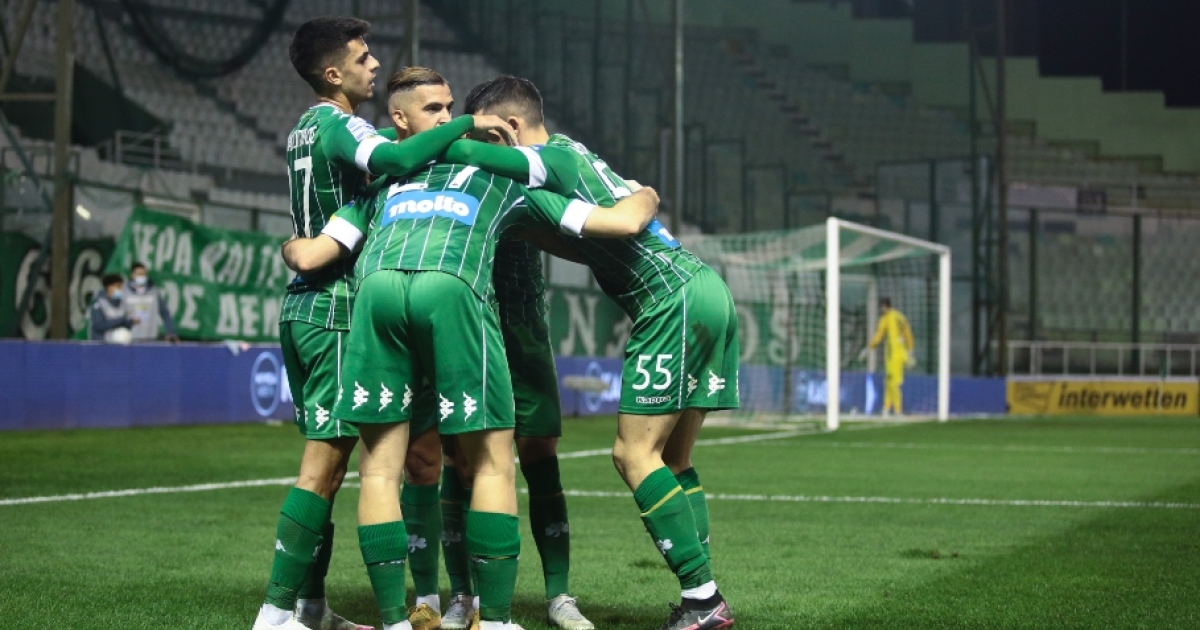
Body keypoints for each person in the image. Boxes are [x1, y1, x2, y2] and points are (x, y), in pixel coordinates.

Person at [282, 132, 658, 630]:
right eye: (437, 111)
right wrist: (645, 196)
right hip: (452, 311)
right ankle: (455, 601)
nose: (448, 121)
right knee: (448, 462)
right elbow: (613, 219)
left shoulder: (502, 179)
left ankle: (553, 596)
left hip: (507, 325)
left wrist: (293, 245)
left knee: (510, 458)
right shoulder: (404, 184)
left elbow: (311, 253)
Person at [253, 18, 523, 630]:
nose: (373, 64)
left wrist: (296, 247)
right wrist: (466, 124)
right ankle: (275, 612)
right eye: (362, 57)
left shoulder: (302, 129)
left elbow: (316, 232)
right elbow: (397, 157)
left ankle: (309, 608)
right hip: (338, 304)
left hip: (305, 304)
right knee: (325, 470)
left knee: (336, 470)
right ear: (333, 74)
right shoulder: (342, 124)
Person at [464, 76, 739, 630]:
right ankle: (701, 595)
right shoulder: (575, 159)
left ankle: (703, 599)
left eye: (487, 138)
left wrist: (431, 140)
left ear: (510, 128)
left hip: (669, 299)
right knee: (673, 459)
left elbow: (627, 219)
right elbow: (583, 235)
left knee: (632, 455)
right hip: (704, 289)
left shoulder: (547, 160)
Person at [865, 297, 915, 416]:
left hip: (894, 356)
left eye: (882, 307)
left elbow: (879, 335)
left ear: (885, 306)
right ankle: (886, 408)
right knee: (888, 382)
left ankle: (898, 409)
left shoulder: (888, 318)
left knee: (893, 383)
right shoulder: (898, 316)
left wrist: (870, 347)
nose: (881, 309)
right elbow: (907, 332)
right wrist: (910, 349)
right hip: (897, 354)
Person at [124, 262, 179, 343]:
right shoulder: (124, 292)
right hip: (129, 338)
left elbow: (165, 313)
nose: (141, 277)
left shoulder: (154, 292)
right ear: (132, 275)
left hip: (150, 337)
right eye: (138, 274)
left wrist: (171, 331)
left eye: (143, 274)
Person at [89, 273, 134, 344]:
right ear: (109, 287)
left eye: (121, 287)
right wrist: (122, 319)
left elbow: (126, 324)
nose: (120, 289)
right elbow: (100, 325)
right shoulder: (98, 304)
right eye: (118, 286)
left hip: (118, 344)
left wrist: (130, 321)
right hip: (101, 345)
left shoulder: (122, 303)